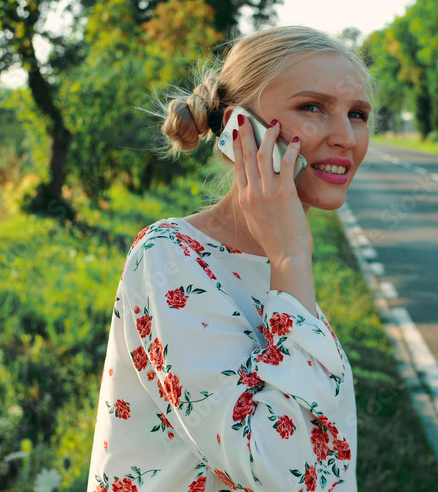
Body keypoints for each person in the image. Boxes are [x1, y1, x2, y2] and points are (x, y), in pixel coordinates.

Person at [86, 25, 374, 492]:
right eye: (312, 108)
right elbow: (279, 473)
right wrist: (290, 257)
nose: (345, 136)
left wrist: (286, 259)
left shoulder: (277, 266)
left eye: (357, 114)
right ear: (241, 126)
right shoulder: (170, 259)